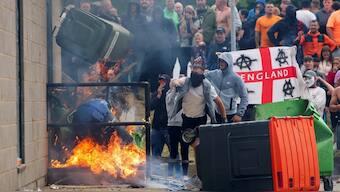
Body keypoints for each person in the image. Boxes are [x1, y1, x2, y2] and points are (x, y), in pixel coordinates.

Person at [170, 59, 226, 178]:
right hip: (187, 119)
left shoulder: (207, 86)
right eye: (194, 69)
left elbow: (219, 102)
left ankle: (202, 173)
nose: (195, 71)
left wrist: (224, 118)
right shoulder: (186, 81)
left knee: (199, 147)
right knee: (184, 145)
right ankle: (184, 175)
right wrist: (174, 82)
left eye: (198, 69)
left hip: (200, 120)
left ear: (203, 72)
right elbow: (176, 81)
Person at [205, 52, 248, 123]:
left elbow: (244, 97)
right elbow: (200, 76)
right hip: (217, 113)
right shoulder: (214, 74)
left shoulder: (236, 78)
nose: (221, 63)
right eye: (220, 61)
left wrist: (239, 114)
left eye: (223, 61)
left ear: (229, 63)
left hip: (231, 115)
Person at [150, 74, 171, 160]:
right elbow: (150, 107)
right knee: (155, 154)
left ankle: (177, 172)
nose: (161, 83)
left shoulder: (172, 93)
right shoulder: (156, 93)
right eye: (160, 81)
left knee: (173, 152)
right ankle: (155, 173)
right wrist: (158, 95)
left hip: (169, 127)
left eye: (163, 81)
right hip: (156, 127)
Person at [179, 5, 199, 74]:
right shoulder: (181, 21)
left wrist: (190, 21)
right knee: (183, 66)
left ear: (193, 13)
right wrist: (191, 34)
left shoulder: (196, 21)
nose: (187, 14)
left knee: (194, 66)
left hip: (193, 46)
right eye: (186, 12)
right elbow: (183, 35)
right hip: (184, 46)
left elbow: (194, 31)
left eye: (190, 12)